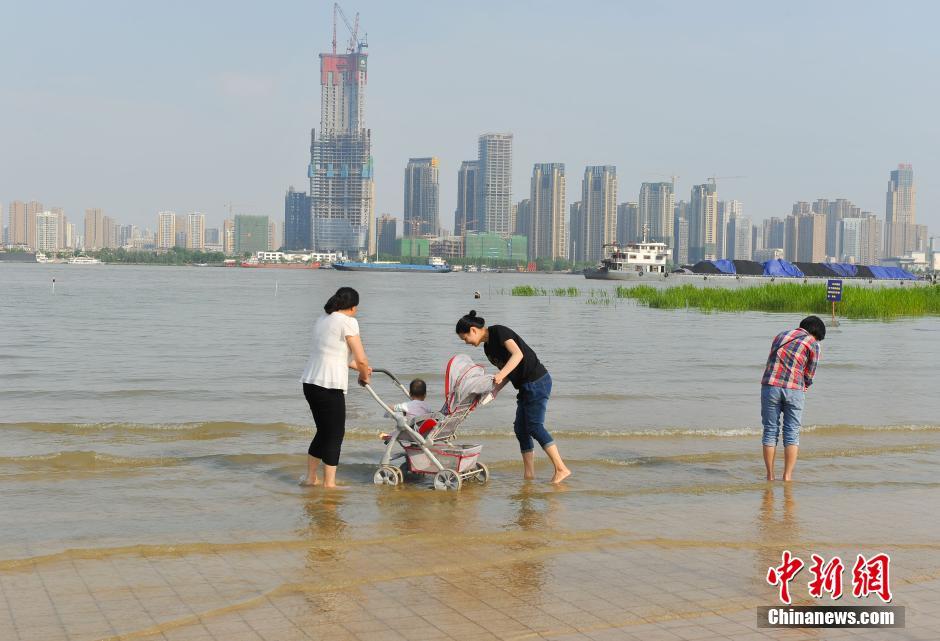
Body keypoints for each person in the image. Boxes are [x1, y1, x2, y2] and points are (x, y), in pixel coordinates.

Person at [456, 310, 571, 483]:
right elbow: (509, 372)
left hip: (537, 381)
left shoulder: (499, 332)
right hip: (525, 386)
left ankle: (561, 468)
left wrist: (500, 374)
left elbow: (518, 355)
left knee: (534, 426)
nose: (466, 343)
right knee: (520, 429)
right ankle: (529, 474)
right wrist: (495, 390)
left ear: (473, 330)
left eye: (465, 338)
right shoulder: (488, 349)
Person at [299, 287, 371, 488]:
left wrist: (361, 369)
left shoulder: (322, 319)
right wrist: (364, 375)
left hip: (310, 382)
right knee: (335, 434)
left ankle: (311, 478)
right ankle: (329, 484)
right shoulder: (349, 322)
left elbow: (334, 355)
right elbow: (361, 358)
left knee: (323, 431)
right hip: (329, 386)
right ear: (353, 307)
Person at [761, 315, 825, 481]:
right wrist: (806, 385)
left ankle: (770, 475)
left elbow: (771, 360)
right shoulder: (812, 343)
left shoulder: (780, 335)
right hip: (794, 389)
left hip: (770, 386)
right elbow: (810, 373)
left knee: (770, 430)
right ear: (815, 333)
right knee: (791, 433)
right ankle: (787, 476)